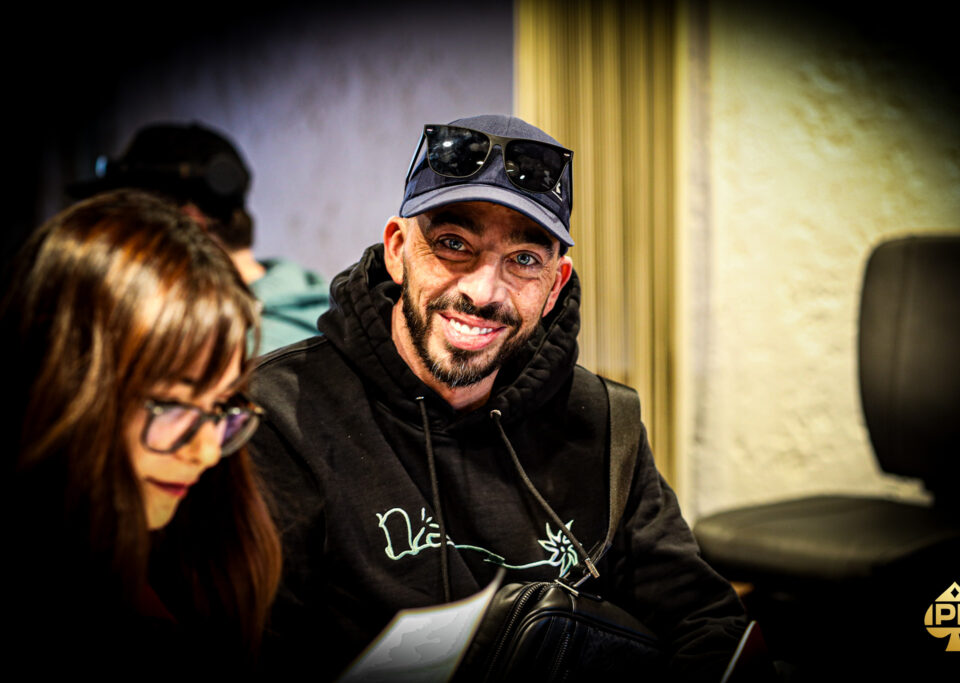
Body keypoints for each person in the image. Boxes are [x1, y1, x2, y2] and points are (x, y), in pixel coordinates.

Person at [248, 115, 750, 681]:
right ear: (397, 249)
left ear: (555, 284)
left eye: (524, 260)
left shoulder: (605, 422)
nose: (484, 292)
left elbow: (705, 623)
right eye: (453, 245)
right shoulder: (278, 414)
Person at [2, 189, 282, 679]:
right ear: (66, 380)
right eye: (172, 405)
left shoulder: (209, 539)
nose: (207, 452)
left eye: (221, 406)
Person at [66, 121, 331, 354]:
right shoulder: (304, 296)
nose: (118, 249)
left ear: (188, 225)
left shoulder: (235, 358)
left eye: (130, 229)